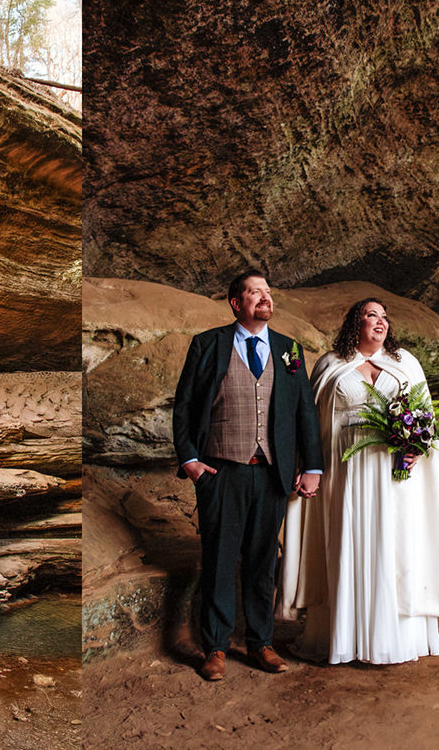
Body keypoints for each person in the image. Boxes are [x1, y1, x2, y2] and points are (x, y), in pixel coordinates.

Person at [278, 298, 439, 664]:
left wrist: (418, 447)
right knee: (349, 539)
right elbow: (310, 423)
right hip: (345, 473)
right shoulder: (331, 365)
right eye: (371, 315)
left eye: (385, 317)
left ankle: (398, 639)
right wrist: (308, 465)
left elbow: (425, 416)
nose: (380, 322)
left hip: (395, 474)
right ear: (354, 324)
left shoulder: (405, 363)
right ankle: (345, 638)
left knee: (397, 544)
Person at [173, 269, 323, 681]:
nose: (264, 298)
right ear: (236, 303)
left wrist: (311, 466)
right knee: (219, 560)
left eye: (268, 292)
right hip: (221, 472)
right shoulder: (208, 344)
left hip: (271, 473)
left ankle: (261, 644)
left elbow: (304, 411)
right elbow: (184, 407)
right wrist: (190, 460)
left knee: (262, 563)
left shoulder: (289, 349)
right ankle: (215, 648)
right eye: (254, 292)